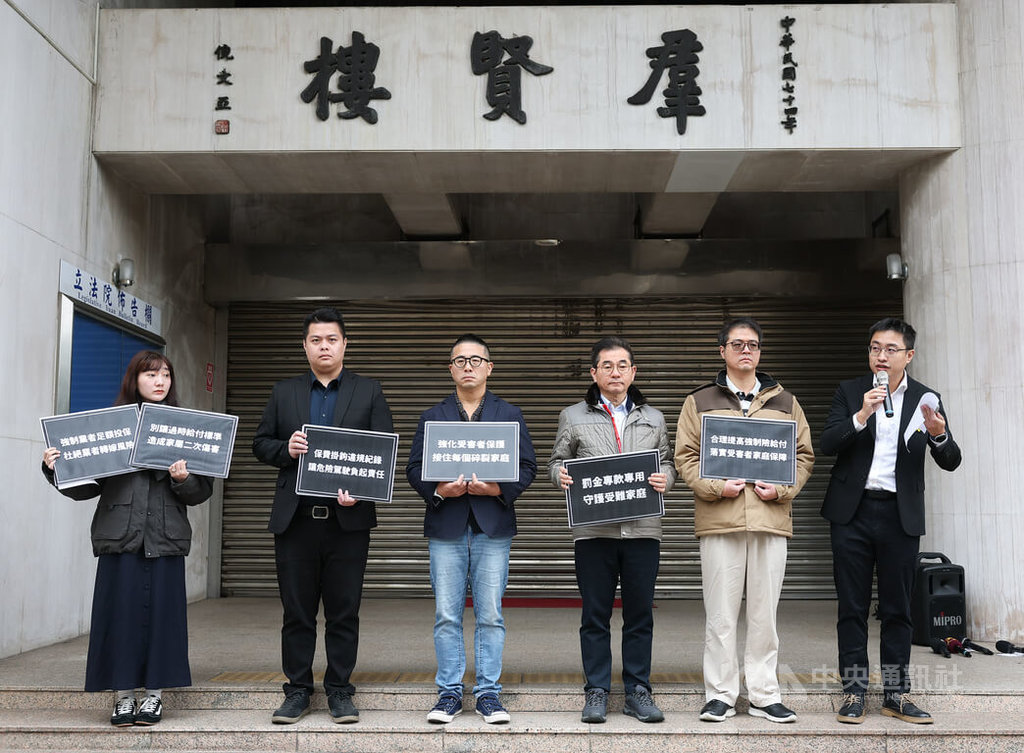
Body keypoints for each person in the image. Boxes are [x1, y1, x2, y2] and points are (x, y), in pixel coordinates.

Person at [41, 351, 213, 727]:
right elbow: (87, 487)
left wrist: (183, 479)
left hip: (165, 537)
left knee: (164, 620)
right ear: (134, 380)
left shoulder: (184, 427)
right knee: (118, 618)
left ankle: (153, 696)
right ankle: (122, 697)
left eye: (165, 374)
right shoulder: (112, 426)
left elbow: (202, 491)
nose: (159, 381)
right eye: (150, 374)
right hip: (119, 536)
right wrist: (56, 470)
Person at [252, 307, 393, 725]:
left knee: (343, 611)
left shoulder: (369, 391)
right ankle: (297, 690)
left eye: (332, 339)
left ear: (344, 344)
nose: (324, 347)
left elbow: (382, 450)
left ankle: (340, 690)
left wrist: (361, 493)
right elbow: (260, 443)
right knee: (296, 611)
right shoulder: (284, 392)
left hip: (347, 522)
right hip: (295, 520)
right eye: (316, 340)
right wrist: (286, 449)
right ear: (305, 346)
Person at [820, 317, 961, 725]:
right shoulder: (850, 391)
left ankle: (896, 695)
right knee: (852, 607)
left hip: (900, 515)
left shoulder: (926, 398)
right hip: (852, 513)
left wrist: (939, 434)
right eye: (875, 348)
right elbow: (827, 443)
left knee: (898, 609)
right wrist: (861, 414)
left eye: (891, 349)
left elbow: (951, 460)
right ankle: (853, 692)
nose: (881, 356)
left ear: (909, 355)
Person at [674, 318, 814, 724]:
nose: (746, 350)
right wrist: (717, 487)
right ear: (722, 351)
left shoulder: (785, 401)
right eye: (737, 344)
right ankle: (720, 694)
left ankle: (764, 694)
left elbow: (803, 455)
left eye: (752, 344)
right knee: (720, 614)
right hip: (721, 520)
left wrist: (782, 490)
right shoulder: (699, 401)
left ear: (760, 351)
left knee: (764, 615)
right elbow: (685, 456)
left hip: (770, 520)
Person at [406, 334, 537, 725]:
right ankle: (449, 693)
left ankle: (488, 694)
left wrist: (497, 489)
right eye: (460, 360)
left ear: (489, 367)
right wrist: (438, 491)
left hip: (492, 526)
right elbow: (414, 469)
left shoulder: (509, 414)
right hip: (446, 525)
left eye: (475, 360)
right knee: (447, 614)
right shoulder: (432, 416)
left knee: (490, 614)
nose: (468, 366)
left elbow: (527, 467)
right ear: (451, 369)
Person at [548, 336, 675, 724]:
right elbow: (556, 461)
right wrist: (560, 476)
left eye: (622, 365)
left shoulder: (654, 417)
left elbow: (668, 462)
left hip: (643, 531)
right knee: (595, 615)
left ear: (633, 372)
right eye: (607, 365)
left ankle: (638, 690)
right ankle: (597, 691)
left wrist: (666, 479)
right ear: (594, 373)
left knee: (639, 615)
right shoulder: (573, 416)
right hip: (594, 533)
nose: (615, 372)